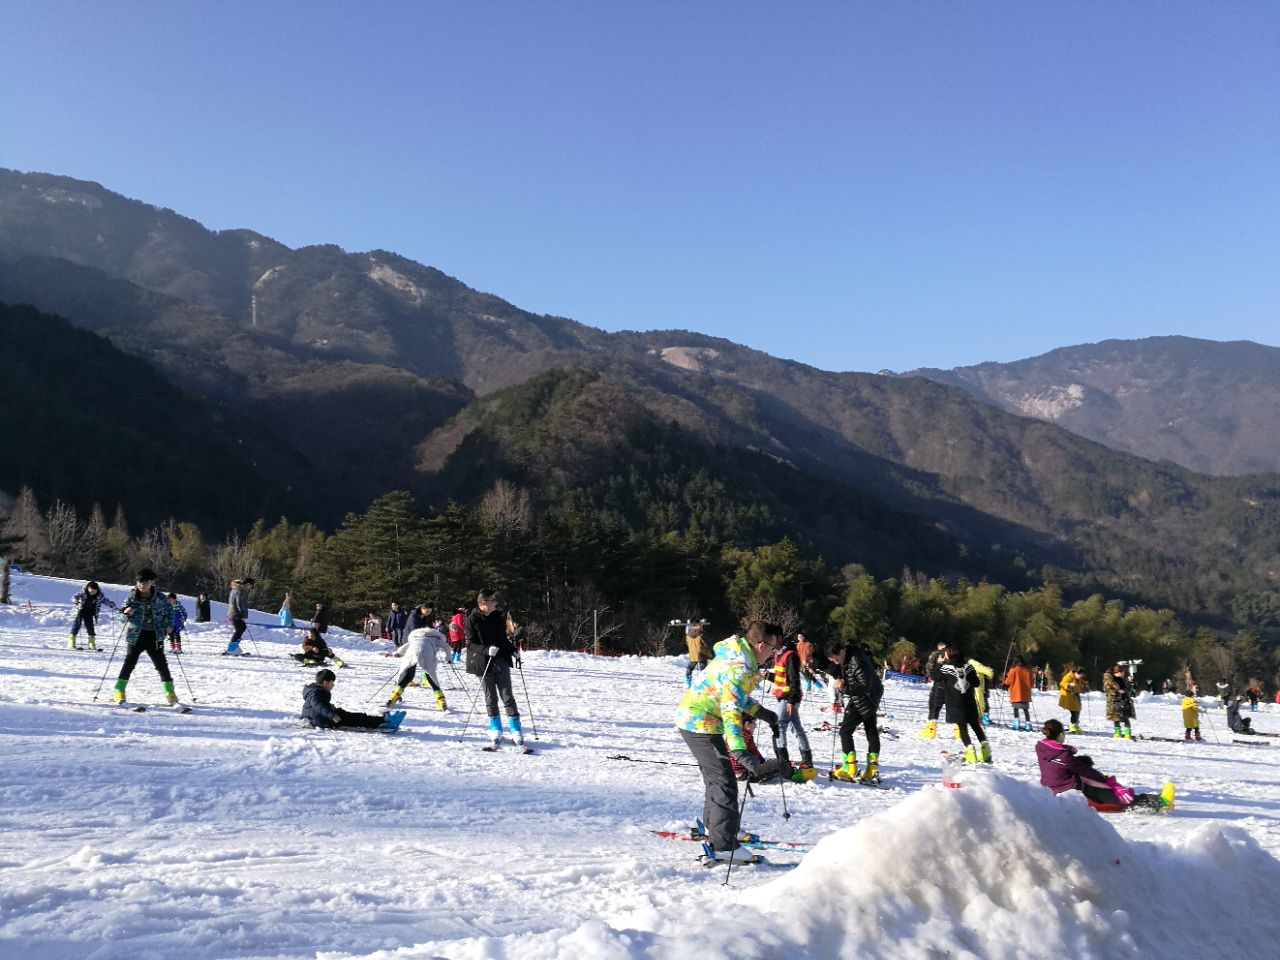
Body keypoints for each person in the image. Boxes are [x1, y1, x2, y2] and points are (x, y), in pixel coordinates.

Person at [674, 621, 782, 865]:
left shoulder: (738, 655)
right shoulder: (739, 667)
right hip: (700, 724)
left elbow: (736, 696)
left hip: (695, 720)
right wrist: (739, 750)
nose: (773, 654)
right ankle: (723, 845)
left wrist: (763, 712)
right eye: (772, 648)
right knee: (725, 783)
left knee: (716, 779)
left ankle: (716, 829)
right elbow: (731, 708)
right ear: (761, 645)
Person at [1036, 718, 1172, 812]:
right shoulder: (1063, 755)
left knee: (1092, 779)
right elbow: (1085, 771)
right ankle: (1160, 802)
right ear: (1060, 735)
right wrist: (1104, 779)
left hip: (1051, 788)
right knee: (1112, 795)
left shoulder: (1042, 748)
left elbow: (1062, 765)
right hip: (1068, 789)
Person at [812, 638, 885, 782]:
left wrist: (843, 687)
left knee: (846, 731)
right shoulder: (848, 658)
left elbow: (864, 686)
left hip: (867, 697)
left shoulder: (857, 661)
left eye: (836, 658)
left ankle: (851, 768)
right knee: (870, 730)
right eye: (832, 660)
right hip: (868, 695)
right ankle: (870, 769)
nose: (835, 662)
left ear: (842, 651)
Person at [112, 568, 184, 711]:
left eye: (144, 582)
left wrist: (168, 626)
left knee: (162, 665)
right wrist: (126, 613)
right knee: (129, 663)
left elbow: (170, 613)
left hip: (155, 636)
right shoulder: (131, 598)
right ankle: (119, 691)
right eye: (139, 582)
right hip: (136, 635)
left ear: (152, 582)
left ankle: (171, 695)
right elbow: (119, 616)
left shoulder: (161, 598)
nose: (141, 585)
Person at [465, 590, 526, 750]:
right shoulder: (472, 619)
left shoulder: (497, 616)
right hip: (483, 663)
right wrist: (486, 650)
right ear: (483, 603)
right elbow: (470, 644)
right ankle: (496, 729)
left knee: (507, 696)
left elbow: (502, 639)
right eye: (492, 600)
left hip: (500, 660)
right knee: (490, 698)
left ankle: (516, 730)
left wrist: (512, 650)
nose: (495, 603)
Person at [935, 644, 990, 763]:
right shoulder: (968, 666)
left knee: (963, 729)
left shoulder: (946, 667)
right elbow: (976, 683)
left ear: (949, 654)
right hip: (969, 702)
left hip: (955, 704)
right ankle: (986, 751)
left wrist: (940, 663)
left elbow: (936, 677)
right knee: (976, 726)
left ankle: (970, 752)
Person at [769, 632, 814, 777]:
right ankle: (807, 759)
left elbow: (794, 679)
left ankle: (783, 760)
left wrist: (791, 700)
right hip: (783, 696)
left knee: (779, 725)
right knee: (795, 726)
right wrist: (768, 676)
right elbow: (780, 677)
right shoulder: (777, 655)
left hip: (789, 697)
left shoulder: (790, 655)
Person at [302, 668, 403, 731]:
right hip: (320, 720)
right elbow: (319, 706)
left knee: (349, 715)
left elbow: (320, 705)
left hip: (320, 716)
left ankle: (381, 719)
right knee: (354, 718)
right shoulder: (315, 693)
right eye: (332, 682)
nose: (333, 685)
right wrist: (332, 715)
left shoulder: (316, 690)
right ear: (325, 683)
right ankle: (383, 722)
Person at [387, 621, 451, 710]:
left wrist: (398, 653)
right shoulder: (436, 638)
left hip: (411, 653)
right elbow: (446, 647)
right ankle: (441, 701)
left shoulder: (415, 637)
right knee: (430, 677)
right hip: (427, 654)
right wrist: (448, 659)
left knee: (408, 676)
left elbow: (405, 646)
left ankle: (392, 698)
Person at [68, 580, 115, 651]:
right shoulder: (83, 593)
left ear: (97, 590)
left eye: (94, 591)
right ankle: (71, 642)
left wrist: (110, 604)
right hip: (80, 611)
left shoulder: (99, 596)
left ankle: (91, 644)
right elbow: (75, 597)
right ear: (87, 589)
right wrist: (76, 600)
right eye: (91, 591)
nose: (92, 593)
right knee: (76, 626)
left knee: (90, 627)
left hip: (89, 613)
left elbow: (105, 600)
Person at [917, 641, 949, 739]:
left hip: (939, 685)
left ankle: (931, 731)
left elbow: (929, 667)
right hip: (952, 686)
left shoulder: (936, 654)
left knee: (934, 707)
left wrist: (932, 676)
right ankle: (959, 733)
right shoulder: (954, 655)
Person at [1104, 664, 1135, 739]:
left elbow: (1127, 689)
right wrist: (1117, 692)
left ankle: (1127, 733)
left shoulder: (1121, 679)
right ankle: (1117, 732)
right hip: (1114, 701)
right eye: (1122, 672)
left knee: (1125, 717)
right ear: (1117, 672)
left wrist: (1130, 683)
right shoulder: (1110, 680)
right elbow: (1108, 690)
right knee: (1116, 718)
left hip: (1124, 700)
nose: (1123, 674)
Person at [1003, 656, 1034, 731]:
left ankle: (1016, 724)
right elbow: (1032, 684)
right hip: (1025, 694)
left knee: (1015, 708)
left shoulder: (1013, 670)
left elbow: (1009, 681)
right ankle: (1028, 725)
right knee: (1025, 709)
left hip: (1016, 693)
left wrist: (1004, 681)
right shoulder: (1028, 670)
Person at [224, 578, 252, 656]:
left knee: (241, 628)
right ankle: (232, 648)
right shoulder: (239, 591)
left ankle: (234, 646)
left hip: (233, 613)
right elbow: (240, 604)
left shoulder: (235, 590)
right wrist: (243, 615)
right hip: (236, 614)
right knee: (240, 629)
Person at [1059, 666, 1086, 733]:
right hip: (1068, 696)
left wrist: (1084, 686)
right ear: (1076, 673)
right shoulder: (1068, 676)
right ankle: (1072, 726)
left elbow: (1079, 686)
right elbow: (1062, 683)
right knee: (1074, 711)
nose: (1081, 676)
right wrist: (1069, 685)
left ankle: (1075, 725)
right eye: (1080, 675)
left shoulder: (1077, 678)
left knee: (1077, 710)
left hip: (1075, 696)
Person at [684, 622, 712, 687]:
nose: (701, 627)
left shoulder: (688, 635)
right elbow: (706, 645)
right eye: (700, 626)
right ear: (696, 626)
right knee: (703, 671)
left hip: (693, 654)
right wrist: (709, 653)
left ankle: (688, 683)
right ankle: (704, 684)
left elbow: (687, 644)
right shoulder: (701, 635)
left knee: (690, 669)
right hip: (702, 654)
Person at [970, 657, 994, 723]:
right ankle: (979, 718)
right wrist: (989, 671)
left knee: (977, 703)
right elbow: (990, 673)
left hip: (973, 688)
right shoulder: (977, 665)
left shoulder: (970, 665)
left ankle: (978, 717)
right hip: (978, 688)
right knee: (980, 703)